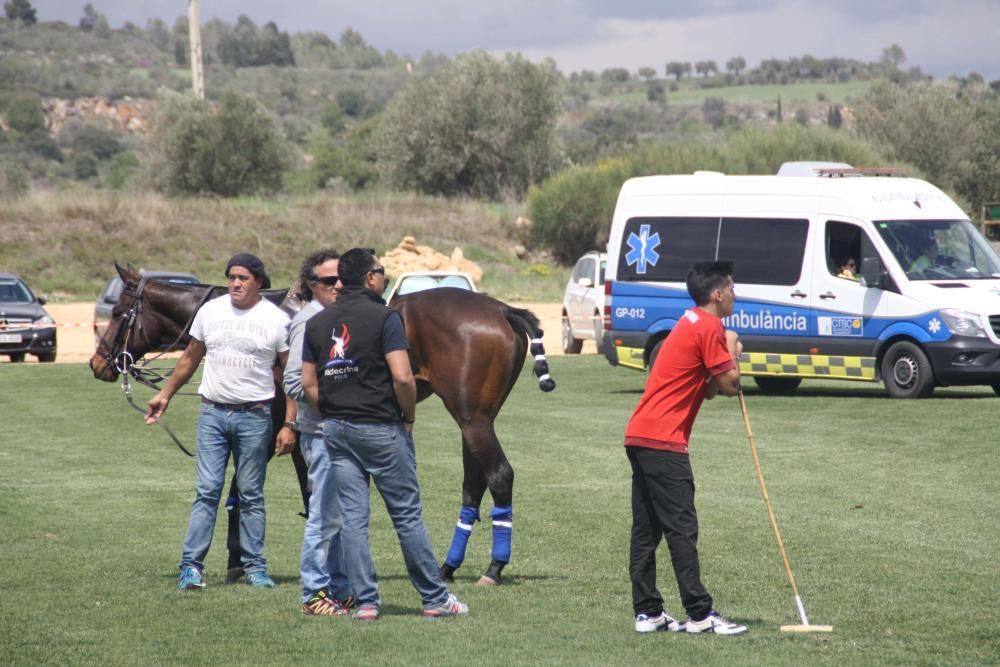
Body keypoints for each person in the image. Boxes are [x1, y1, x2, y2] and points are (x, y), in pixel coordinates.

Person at [301, 247, 468, 621]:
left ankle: (366, 603)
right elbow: (403, 376)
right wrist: (407, 415)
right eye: (381, 271)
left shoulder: (317, 323)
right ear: (369, 278)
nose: (384, 276)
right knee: (407, 516)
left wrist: (330, 410)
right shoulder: (385, 318)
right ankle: (435, 598)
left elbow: (308, 383)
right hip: (380, 427)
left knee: (353, 520)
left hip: (336, 431)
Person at [146, 253, 290, 591]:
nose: (236, 283)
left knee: (251, 494)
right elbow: (190, 357)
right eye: (231, 277)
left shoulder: (276, 319)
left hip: (255, 416)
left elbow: (289, 374)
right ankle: (191, 567)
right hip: (212, 414)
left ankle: (254, 568)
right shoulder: (210, 311)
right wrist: (165, 394)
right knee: (207, 492)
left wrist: (291, 423)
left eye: (243, 278)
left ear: (259, 282)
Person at [624, 260, 748, 636]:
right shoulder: (711, 327)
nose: (734, 294)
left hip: (640, 436)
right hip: (664, 441)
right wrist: (733, 353)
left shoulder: (690, 321)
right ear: (717, 293)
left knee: (647, 531)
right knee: (682, 528)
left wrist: (724, 360)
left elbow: (708, 388)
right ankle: (700, 615)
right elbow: (729, 386)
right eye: (731, 287)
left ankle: (648, 613)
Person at [277, 249, 355, 615]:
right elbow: (292, 380)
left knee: (338, 517)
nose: (338, 285)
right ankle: (314, 594)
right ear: (312, 286)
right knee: (323, 516)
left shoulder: (341, 316)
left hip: (342, 432)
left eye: (341, 278)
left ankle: (339, 589)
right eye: (328, 281)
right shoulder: (308, 321)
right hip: (321, 433)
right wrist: (334, 404)